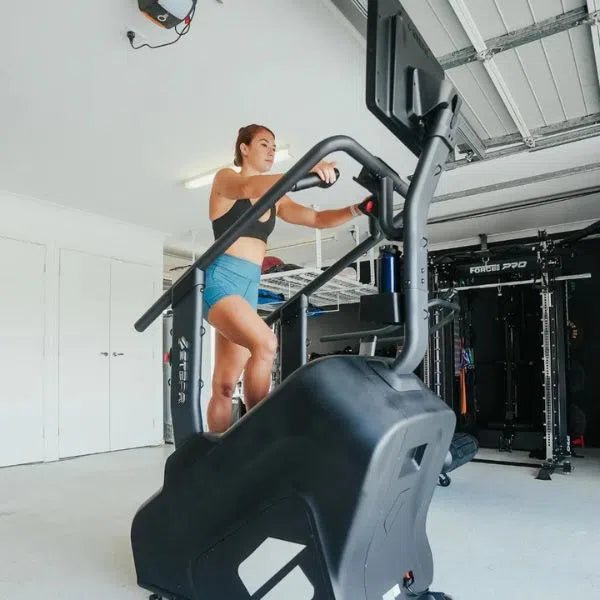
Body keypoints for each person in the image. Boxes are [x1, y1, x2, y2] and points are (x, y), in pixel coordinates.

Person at [205, 123, 373, 432]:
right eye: (264, 144)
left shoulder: (276, 198)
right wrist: (310, 166)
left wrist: (357, 209)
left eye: (273, 147)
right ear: (244, 148)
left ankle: (218, 458)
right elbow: (249, 189)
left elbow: (316, 218)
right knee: (267, 344)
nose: (271, 151)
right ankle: (260, 434)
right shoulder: (226, 179)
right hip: (223, 283)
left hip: (248, 290)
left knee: (226, 386)